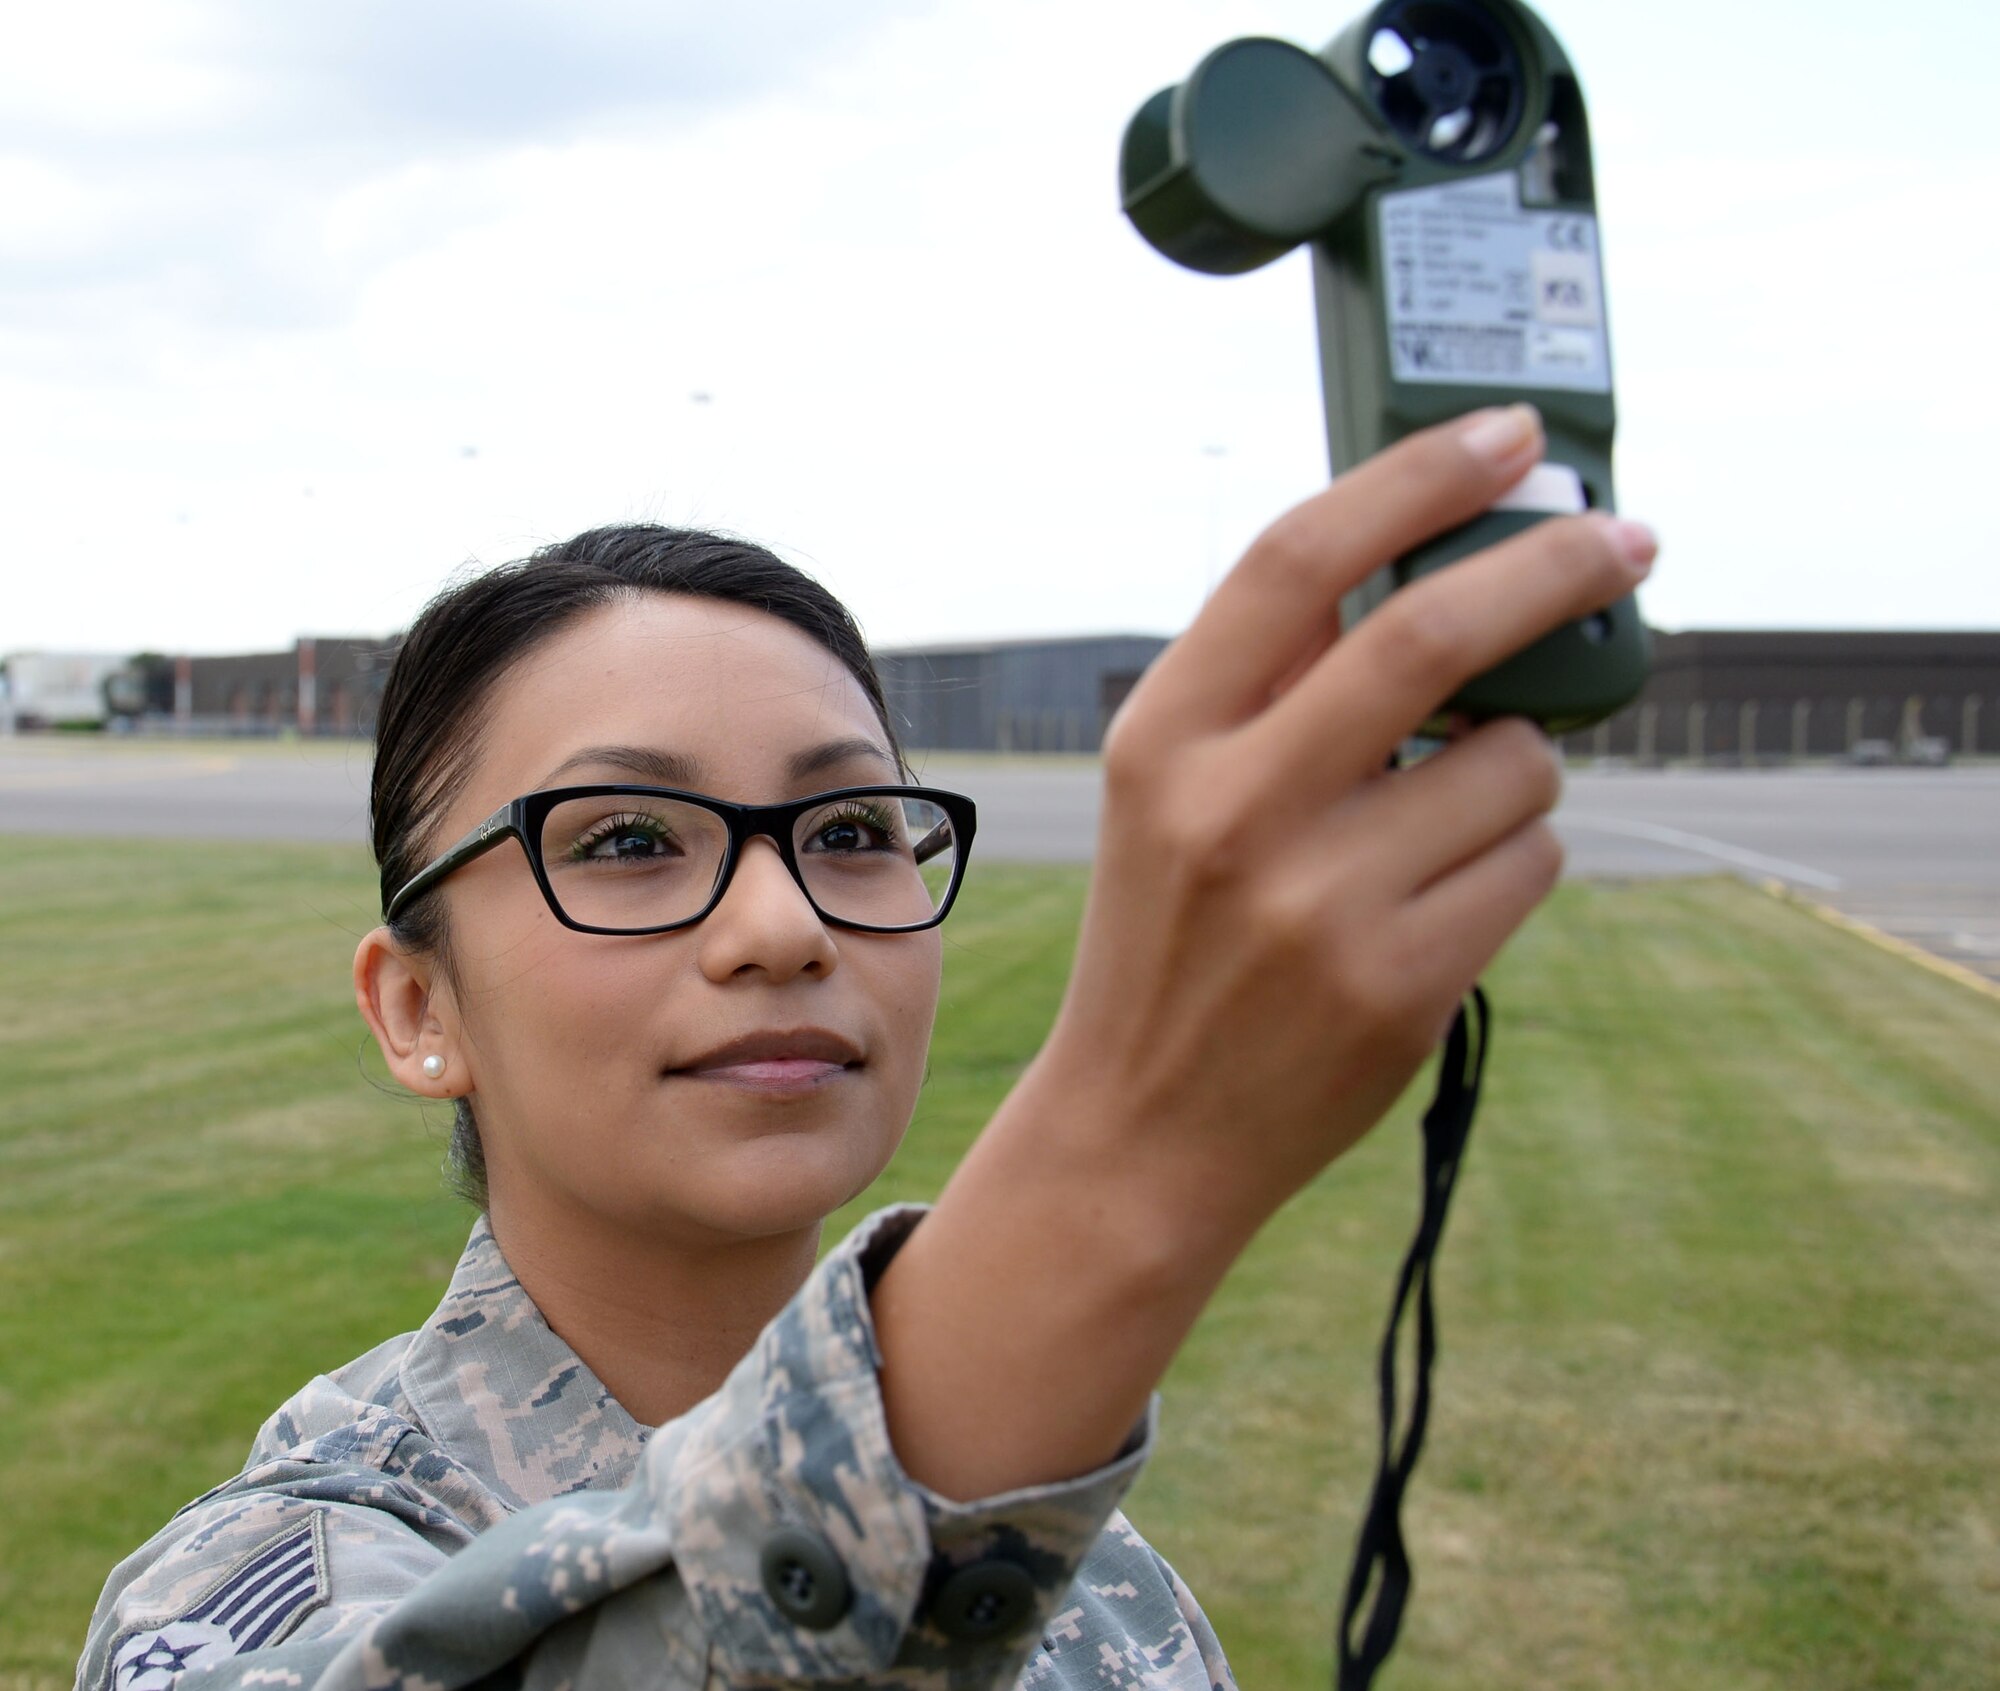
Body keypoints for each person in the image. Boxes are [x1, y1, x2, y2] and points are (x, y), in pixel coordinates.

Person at [78, 406, 1655, 1690]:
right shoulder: (261, 1585)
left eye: (849, 828)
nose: (781, 925)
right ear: (419, 1009)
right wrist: (1124, 1166)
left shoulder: (1092, 1588)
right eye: (628, 836)